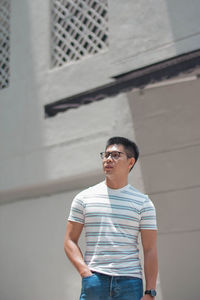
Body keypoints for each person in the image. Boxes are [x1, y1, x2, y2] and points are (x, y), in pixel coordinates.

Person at [64, 136, 158, 300]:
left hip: (130, 282)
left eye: (115, 155)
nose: (108, 159)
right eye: (106, 155)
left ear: (130, 162)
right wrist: (86, 273)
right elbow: (69, 241)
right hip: (95, 280)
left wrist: (150, 292)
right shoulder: (84, 198)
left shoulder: (143, 203)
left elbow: (150, 250)